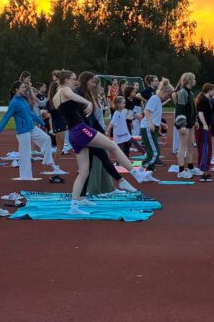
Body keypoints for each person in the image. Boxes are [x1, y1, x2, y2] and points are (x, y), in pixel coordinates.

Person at [52, 70, 153, 216]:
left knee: (84, 171)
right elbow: (71, 95)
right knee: (112, 146)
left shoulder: (56, 95)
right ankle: (135, 173)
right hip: (80, 129)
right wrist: (87, 102)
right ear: (66, 80)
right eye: (74, 79)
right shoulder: (65, 89)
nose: (76, 82)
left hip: (73, 134)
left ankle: (75, 204)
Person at [0, 80, 52, 180]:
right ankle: (25, 176)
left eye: (25, 87)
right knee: (25, 153)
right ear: (16, 89)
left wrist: (41, 121)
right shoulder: (14, 102)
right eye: (23, 87)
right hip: (23, 131)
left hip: (31, 127)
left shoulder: (24, 100)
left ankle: (46, 160)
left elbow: (30, 114)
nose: (25, 89)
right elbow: (6, 118)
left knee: (47, 138)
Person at [141, 79, 172, 172]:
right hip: (148, 127)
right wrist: (150, 123)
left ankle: (149, 171)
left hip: (152, 127)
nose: (168, 96)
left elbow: (154, 115)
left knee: (153, 151)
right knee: (155, 153)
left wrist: (162, 124)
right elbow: (146, 111)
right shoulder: (155, 98)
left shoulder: (158, 100)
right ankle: (142, 168)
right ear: (164, 91)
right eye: (168, 94)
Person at [172, 73, 198, 178]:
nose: (195, 81)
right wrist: (182, 125)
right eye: (194, 79)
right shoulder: (183, 92)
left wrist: (195, 120)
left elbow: (192, 109)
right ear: (189, 80)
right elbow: (180, 109)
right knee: (183, 146)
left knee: (191, 145)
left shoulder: (189, 92)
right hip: (184, 124)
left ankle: (191, 168)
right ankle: (181, 171)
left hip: (190, 124)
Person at [194, 83, 214, 182]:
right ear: (209, 90)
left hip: (206, 127)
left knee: (207, 148)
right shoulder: (203, 100)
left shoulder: (207, 100)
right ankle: (203, 172)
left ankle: (205, 170)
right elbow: (200, 113)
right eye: (213, 90)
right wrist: (205, 124)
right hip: (203, 128)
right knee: (204, 148)